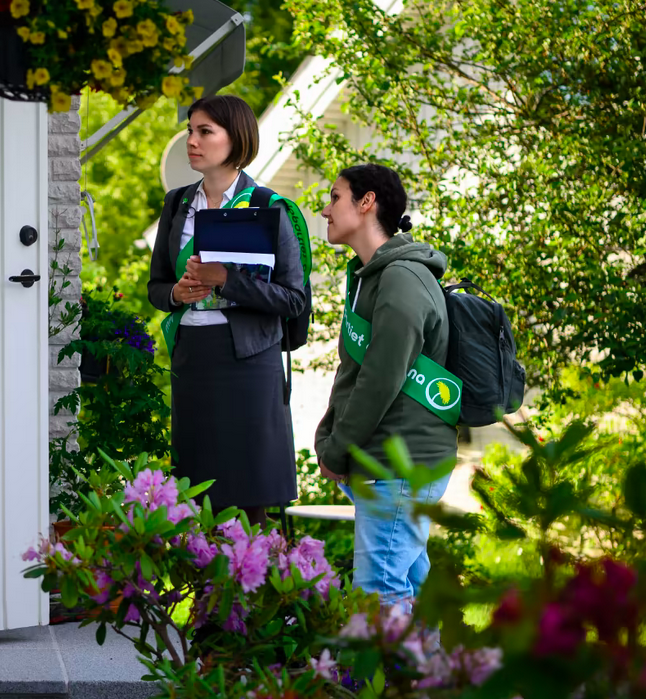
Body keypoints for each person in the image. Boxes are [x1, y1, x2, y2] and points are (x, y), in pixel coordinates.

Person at [148, 94, 307, 525]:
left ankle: (248, 586)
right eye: (190, 131)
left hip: (249, 363)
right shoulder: (177, 204)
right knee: (197, 496)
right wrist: (177, 295)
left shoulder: (268, 206)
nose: (192, 141)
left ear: (234, 139)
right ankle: (202, 591)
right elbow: (156, 287)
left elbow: (294, 300)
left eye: (205, 131)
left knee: (248, 496)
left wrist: (226, 279)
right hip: (192, 359)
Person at [314, 163, 457, 607]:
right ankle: (430, 674)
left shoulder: (401, 279)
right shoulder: (368, 276)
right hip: (388, 460)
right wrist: (329, 433)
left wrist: (338, 446)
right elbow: (354, 370)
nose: (325, 209)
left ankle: (388, 679)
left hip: (399, 462)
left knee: (380, 594)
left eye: (335, 197)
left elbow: (381, 380)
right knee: (410, 591)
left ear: (367, 202)